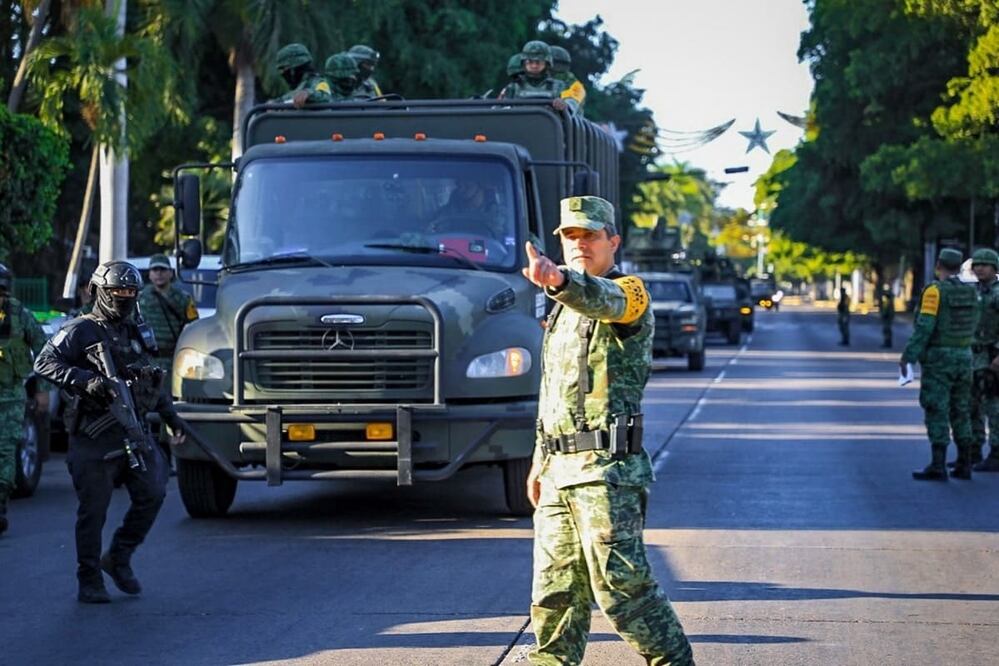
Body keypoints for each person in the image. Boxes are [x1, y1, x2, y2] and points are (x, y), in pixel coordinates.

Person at [521, 195, 694, 665]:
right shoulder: (560, 310)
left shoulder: (628, 294)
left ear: (612, 241)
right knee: (554, 592)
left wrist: (557, 280)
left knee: (622, 591)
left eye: (590, 235)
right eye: (570, 237)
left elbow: (602, 299)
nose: (579, 244)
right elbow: (553, 390)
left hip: (606, 472)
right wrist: (541, 459)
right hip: (560, 471)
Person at [34, 261, 187, 603]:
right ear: (98, 292)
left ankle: (118, 556)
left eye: (130, 294)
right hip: (92, 433)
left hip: (132, 430)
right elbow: (44, 362)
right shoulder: (80, 330)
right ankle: (88, 578)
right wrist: (85, 381)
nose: (123, 299)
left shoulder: (137, 328)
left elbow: (153, 378)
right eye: (117, 293)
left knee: (154, 492)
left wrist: (172, 418)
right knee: (95, 509)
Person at [901, 248, 979, 481]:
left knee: (937, 409)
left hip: (939, 360)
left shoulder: (934, 292)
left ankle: (938, 464)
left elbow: (925, 326)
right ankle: (965, 462)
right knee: (961, 410)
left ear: (938, 265)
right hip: (965, 357)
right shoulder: (971, 292)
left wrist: (909, 357)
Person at [0, 263, 50, 536]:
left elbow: (44, 350)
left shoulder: (20, 314)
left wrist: (42, 388)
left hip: (9, 394)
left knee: (6, 450)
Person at [137, 254, 198, 378]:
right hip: (147, 360)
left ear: (170, 273)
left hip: (174, 359)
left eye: (163, 270)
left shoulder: (183, 298)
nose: (159, 273)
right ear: (149, 274)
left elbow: (194, 327)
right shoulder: (140, 298)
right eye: (155, 270)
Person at [969, 248, 999, 472]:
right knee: (972, 405)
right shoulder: (974, 291)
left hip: (992, 356)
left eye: (985, 264)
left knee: (993, 406)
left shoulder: (998, 293)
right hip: (973, 356)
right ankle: (973, 450)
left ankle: (996, 452)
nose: (979, 268)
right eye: (977, 264)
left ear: (994, 268)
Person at [498, 41, 575, 113]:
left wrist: (564, 104)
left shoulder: (559, 86)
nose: (534, 66)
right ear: (524, 63)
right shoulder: (513, 87)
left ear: (547, 63)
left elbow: (572, 104)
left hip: (552, 126)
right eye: (530, 62)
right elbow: (501, 109)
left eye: (538, 62)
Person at [273, 43, 332, 108]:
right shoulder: (300, 86)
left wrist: (308, 94)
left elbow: (325, 96)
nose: (283, 73)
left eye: (285, 68)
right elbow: (288, 98)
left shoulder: (318, 82)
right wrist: (275, 103)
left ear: (294, 68)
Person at [550, 45, 586, 110]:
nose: (557, 68)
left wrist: (566, 103)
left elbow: (578, 95)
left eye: (561, 65)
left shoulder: (570, 79)